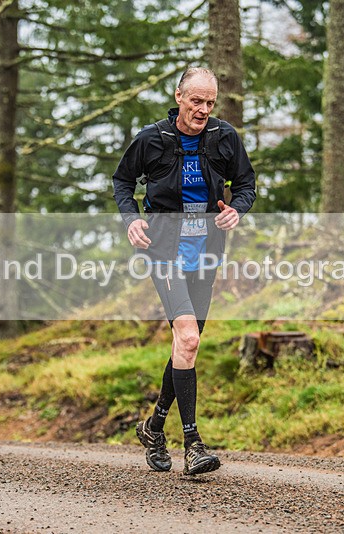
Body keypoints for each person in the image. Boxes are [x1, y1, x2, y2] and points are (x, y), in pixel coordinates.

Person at [112, 67, 256, 475]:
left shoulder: (224, 137)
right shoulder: (152, 139)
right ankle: (192, 442)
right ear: (178, 96)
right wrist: (132, 220)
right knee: (189, 336)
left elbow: (246, 184)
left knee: (185, 345)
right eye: (196, 101)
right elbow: (123, 181)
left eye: (210, 103)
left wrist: (236, 211)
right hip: (164, 251)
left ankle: (154, 427)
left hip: (206, 254)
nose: (203, 110)